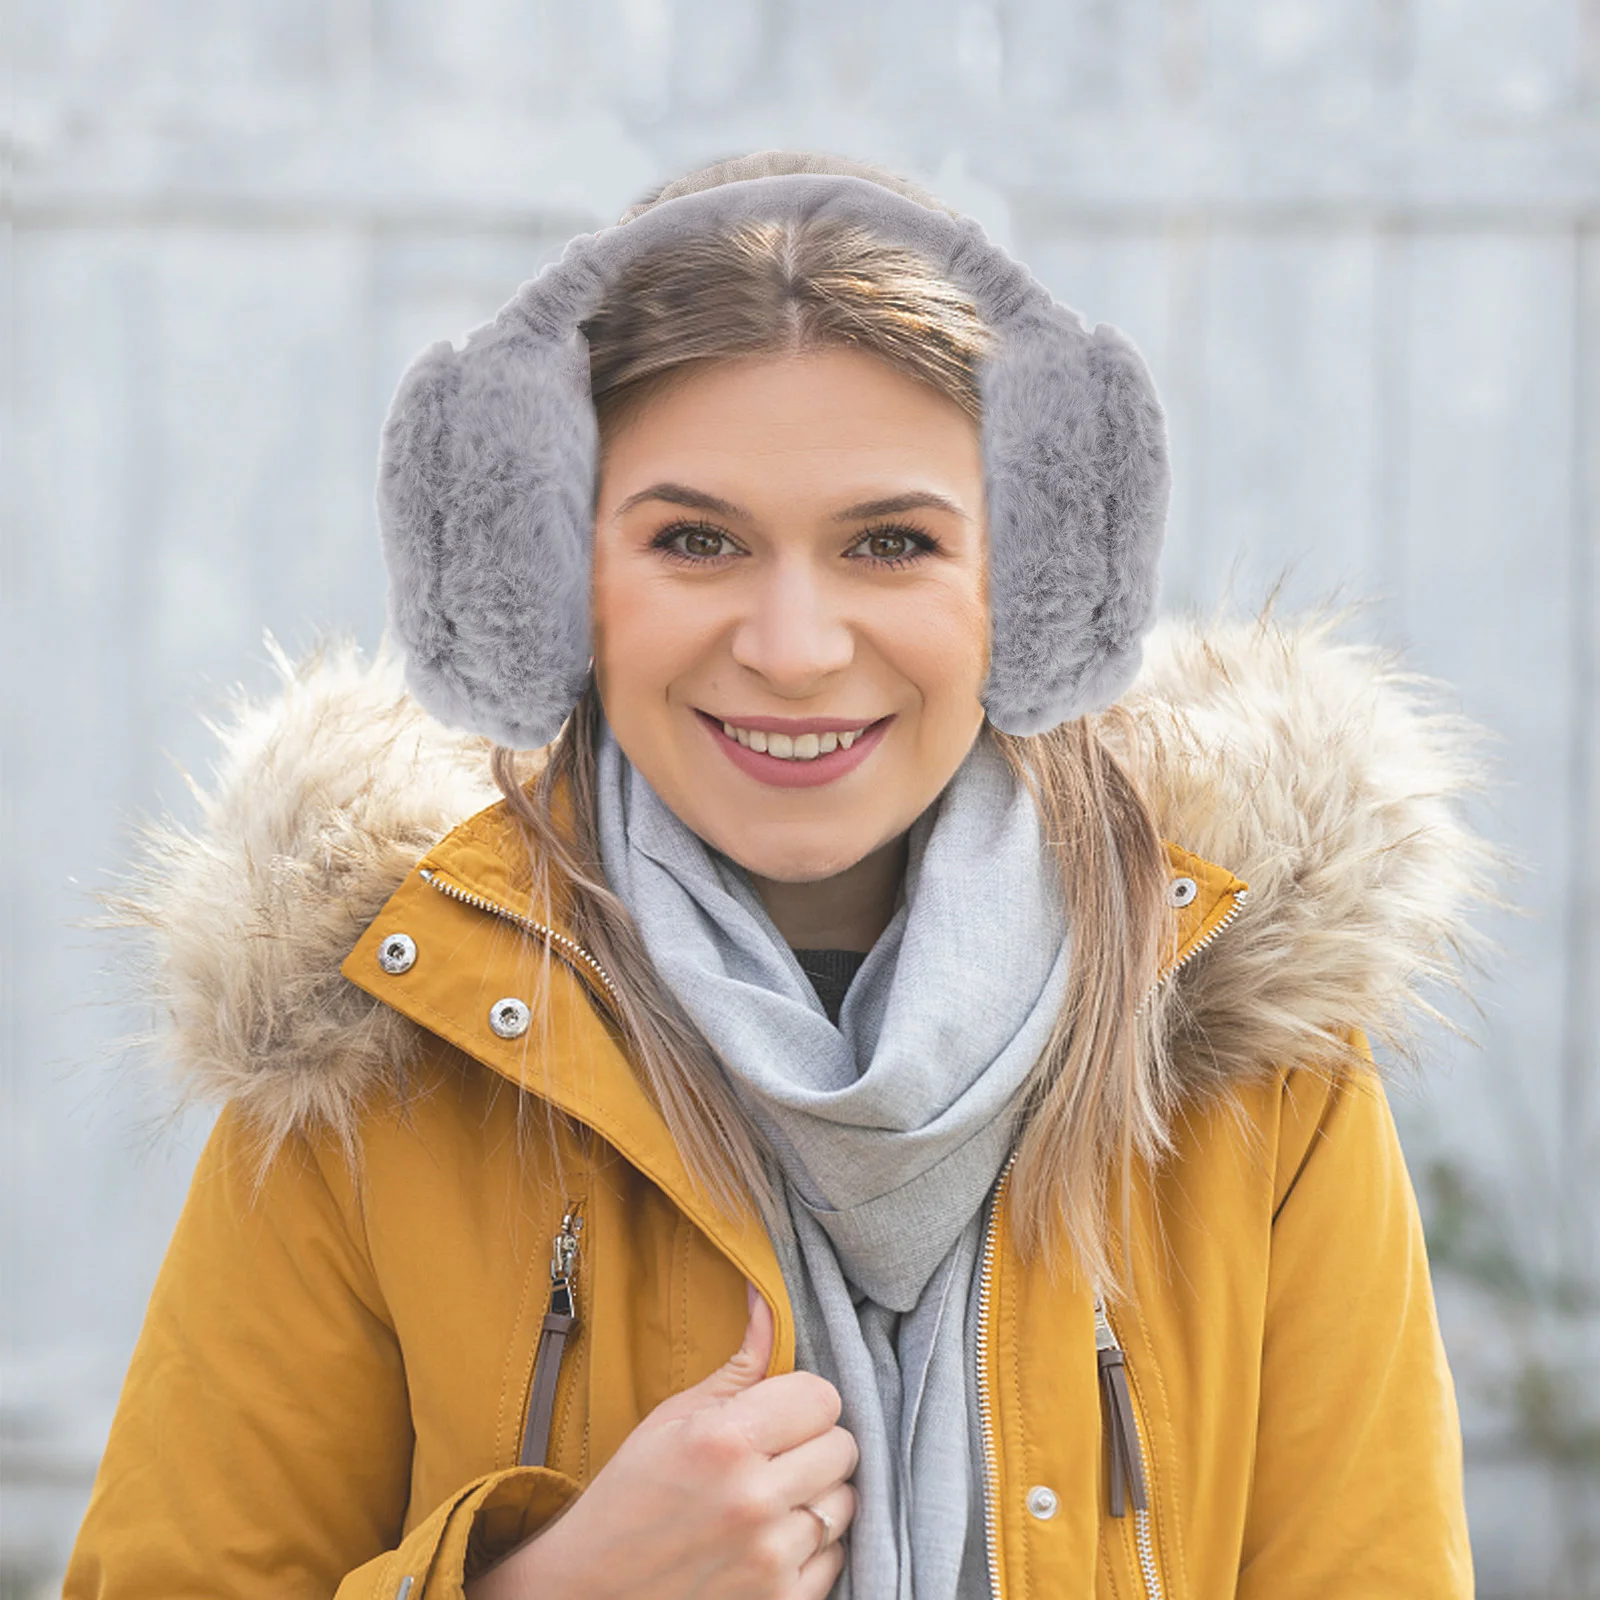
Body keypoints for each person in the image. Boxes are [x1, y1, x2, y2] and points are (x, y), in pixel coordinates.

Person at [65, 149, 1495, 1599]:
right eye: (696, 540)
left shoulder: (1252, 1067)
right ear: (553, 584)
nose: (796, 645)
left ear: (1037, 588)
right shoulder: (383, 1044)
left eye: (892, 542)